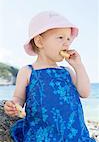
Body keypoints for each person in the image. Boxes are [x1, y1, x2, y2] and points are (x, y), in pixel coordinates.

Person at [4, 11, 96, 142]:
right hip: (42, 135)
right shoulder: (28, 71)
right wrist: (14, 105)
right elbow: (19, 97)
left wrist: (79, 66)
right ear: (40, 42)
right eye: (60, 38)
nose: (67, 43)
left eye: (69, 39)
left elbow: (85, 92)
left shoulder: (67, 71)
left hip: (74, 135)